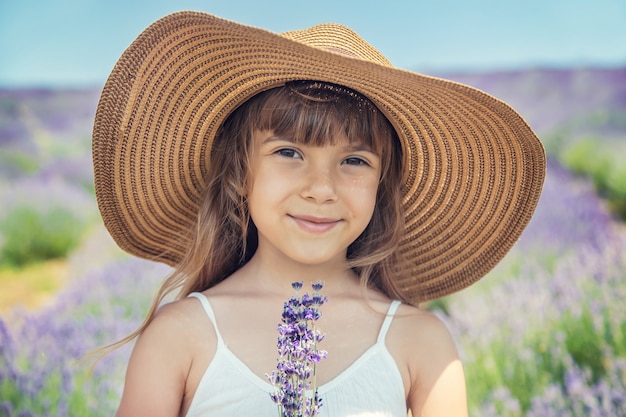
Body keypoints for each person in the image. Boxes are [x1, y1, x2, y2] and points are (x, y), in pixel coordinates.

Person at [91, 11, 546, 417]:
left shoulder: (420, 341)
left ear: (381, 187)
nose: (322, 189)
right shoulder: (180, 335)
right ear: (239, 173)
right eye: (289, 152)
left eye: (354, 161)